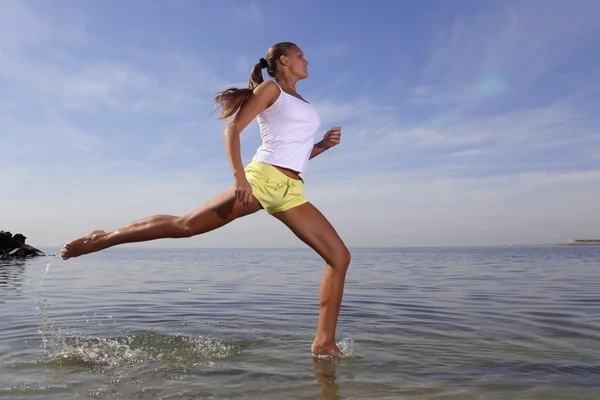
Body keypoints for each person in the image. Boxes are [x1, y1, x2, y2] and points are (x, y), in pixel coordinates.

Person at [60, 42, 351, 357]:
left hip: (291, 190)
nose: (306, 60)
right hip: (262, 180)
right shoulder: (270, 90)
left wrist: (321, 146)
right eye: (300, 56)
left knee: (339, 257)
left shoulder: (301, 101)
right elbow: (233, 130)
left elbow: (293, 152)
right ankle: (103, 239)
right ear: (284, 60)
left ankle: (324, 342)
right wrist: (240, 177)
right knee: (187, 226)